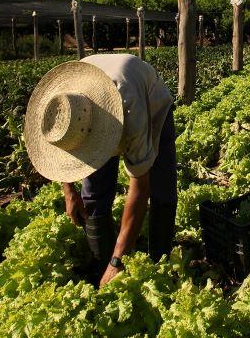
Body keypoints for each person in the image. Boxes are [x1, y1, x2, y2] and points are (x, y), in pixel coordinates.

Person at [24, 53, 177, 286]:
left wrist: (118, 261)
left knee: (162, 189)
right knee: (93, 196)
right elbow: (62, 149)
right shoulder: (63, 104)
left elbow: (140, 187)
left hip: (149, 100)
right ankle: (100, 264)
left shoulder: (132, 111)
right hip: (93, 104)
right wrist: (69, 191)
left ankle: (158, 262)